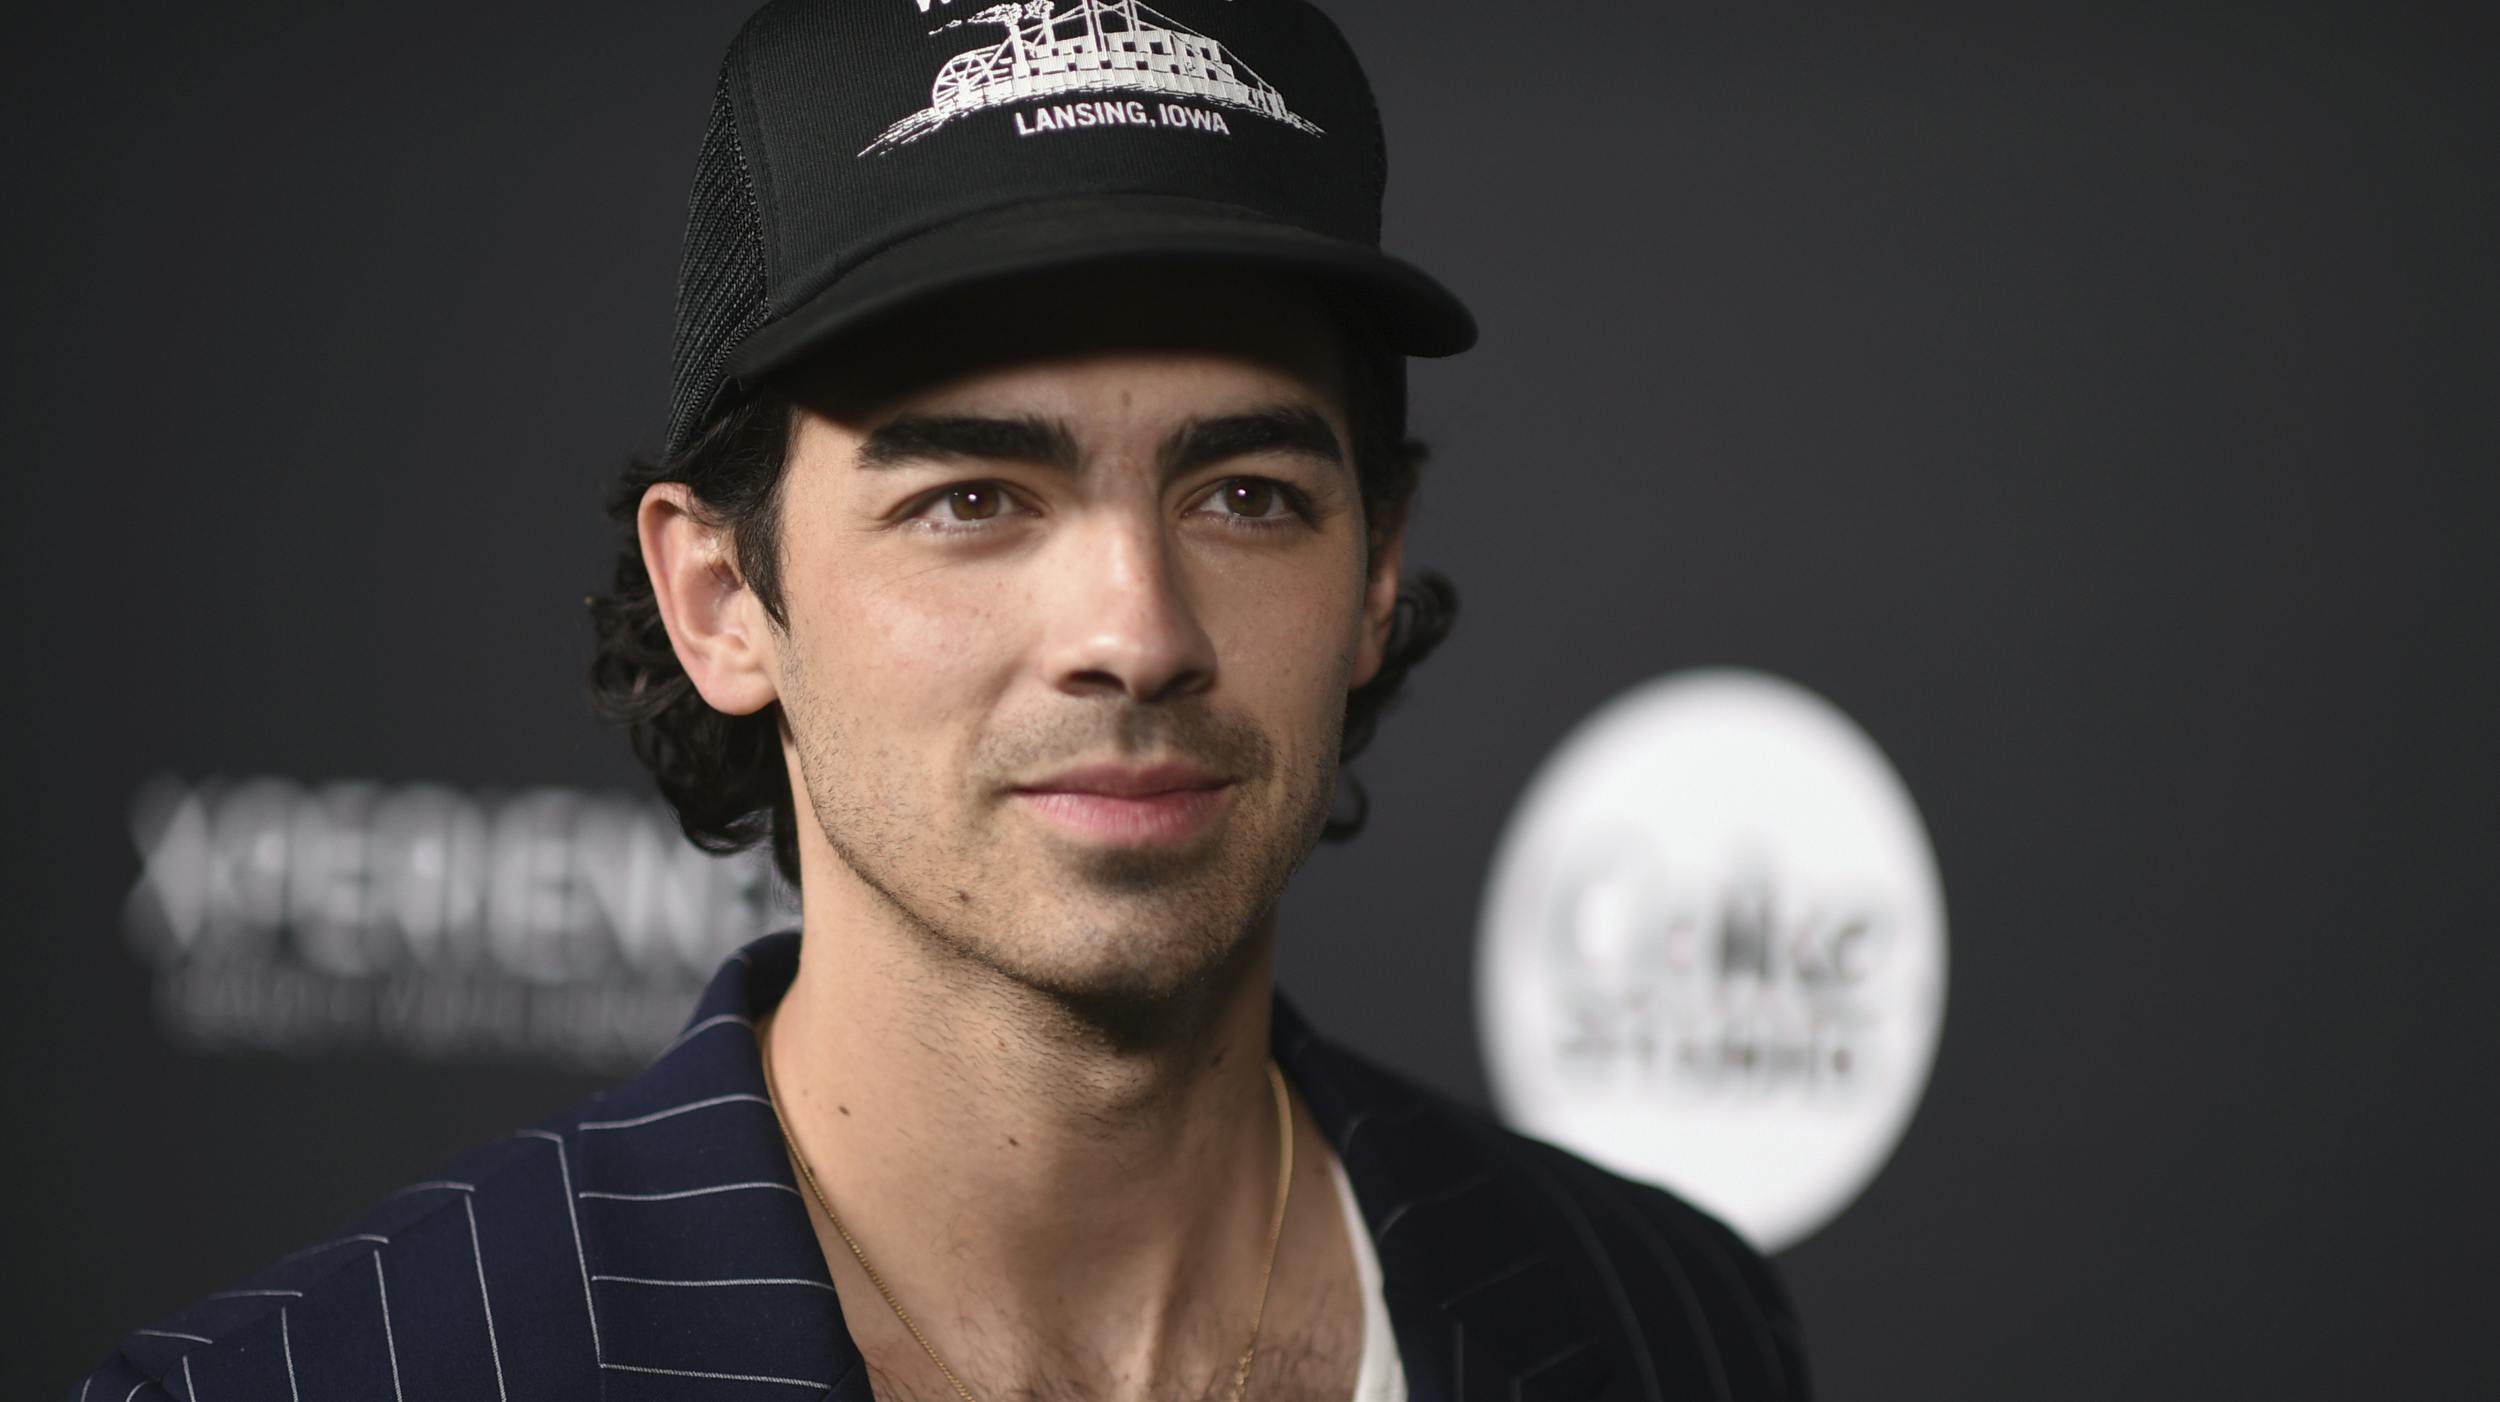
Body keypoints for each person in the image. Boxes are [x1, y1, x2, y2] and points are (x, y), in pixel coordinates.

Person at [78, 3, 1809, 1400]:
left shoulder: (1665, 1325)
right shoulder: (330, 1377)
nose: (1134, 630)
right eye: (973, 498)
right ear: (721, 598)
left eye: (1248, 494)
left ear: (1375, 571)